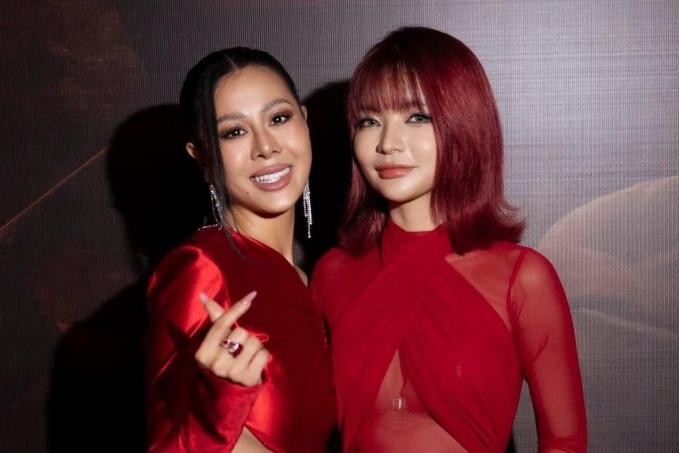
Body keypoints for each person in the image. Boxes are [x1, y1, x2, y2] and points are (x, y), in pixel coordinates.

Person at [311, 27, 587, 452]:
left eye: (417, 117)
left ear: (464, 122)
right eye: (369, 121)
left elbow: (564, 443)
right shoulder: (332, 273)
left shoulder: (522, 278)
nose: (387, 143)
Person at [145, 48, 336, 453]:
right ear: (202, 157)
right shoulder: (201, 268)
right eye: (234, 132)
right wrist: (222, 404)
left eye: (278, 118)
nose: (265, 147)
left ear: (304, 122)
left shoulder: (319, 279)